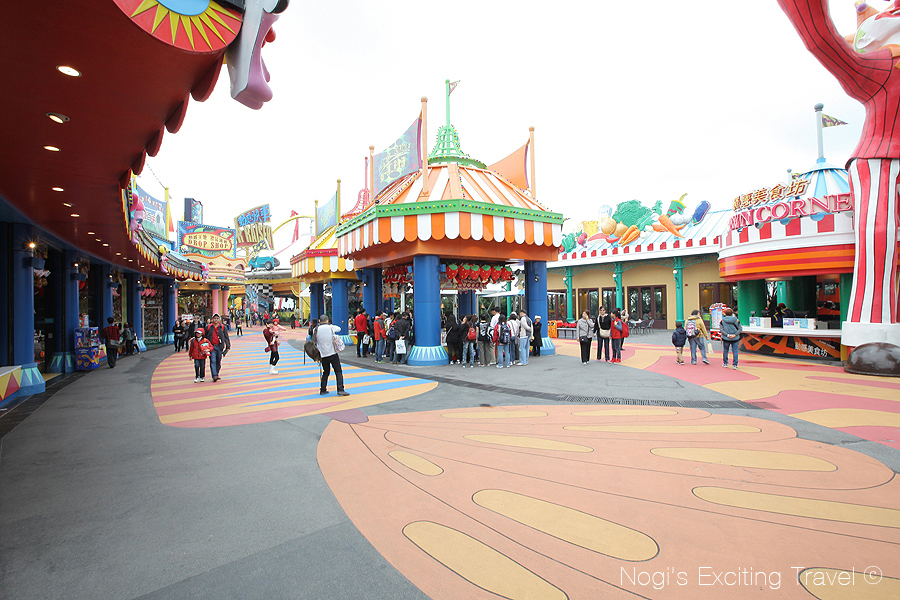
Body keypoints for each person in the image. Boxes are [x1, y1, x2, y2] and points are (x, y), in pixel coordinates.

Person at [314, 314, 350, 396]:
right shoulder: (331, 327)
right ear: (327, 321)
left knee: (326, 372)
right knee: (338, 371)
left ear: (319, 321)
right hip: (332, 353)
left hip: (322, 355)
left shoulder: (316, 329)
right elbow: (339, 328)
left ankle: (323, 389)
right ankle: (340, 389)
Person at [207, 313, 231, 382]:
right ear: (212, 319)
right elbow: (205, 337)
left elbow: (226, 337)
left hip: (220, 346)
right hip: (211, 347)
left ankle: (216, 373)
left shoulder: (223, 327)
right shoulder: (209, 327)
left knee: (218, 361)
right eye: (214, 318)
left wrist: (228, 346)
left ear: (219, 319)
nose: (216, 320)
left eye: (217, 318)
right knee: (213, 360)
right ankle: (214, 375)